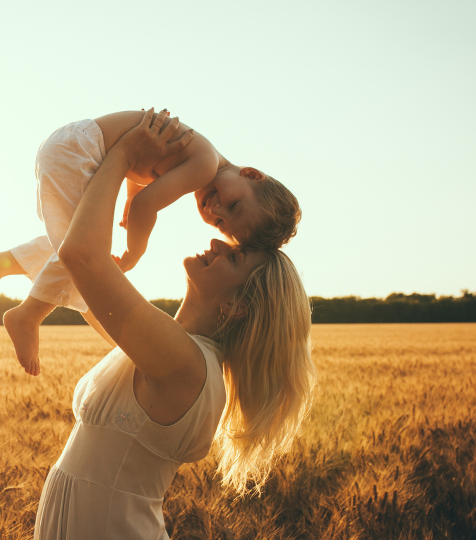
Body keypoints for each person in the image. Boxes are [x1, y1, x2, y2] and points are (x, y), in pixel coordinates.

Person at [30, 109, 317, 539]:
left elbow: (83, 258)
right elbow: (81, 282)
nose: (218, 240)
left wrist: (125, 151)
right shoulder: (173, 348)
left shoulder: (185, 363)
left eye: (235, 255)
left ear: (237, 306)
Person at [0, 109, 302, 375]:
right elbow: (148, 205)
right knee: (83, 251)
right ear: (252, 174)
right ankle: (28, 315)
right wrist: (135, 251)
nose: (215, 208)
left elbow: (142, 172)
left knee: (72, 243)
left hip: (73, 145)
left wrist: (130, 197)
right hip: (79, 152)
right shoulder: (204, 167)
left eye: (219, 222)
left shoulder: (203, 156)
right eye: (233, 205)